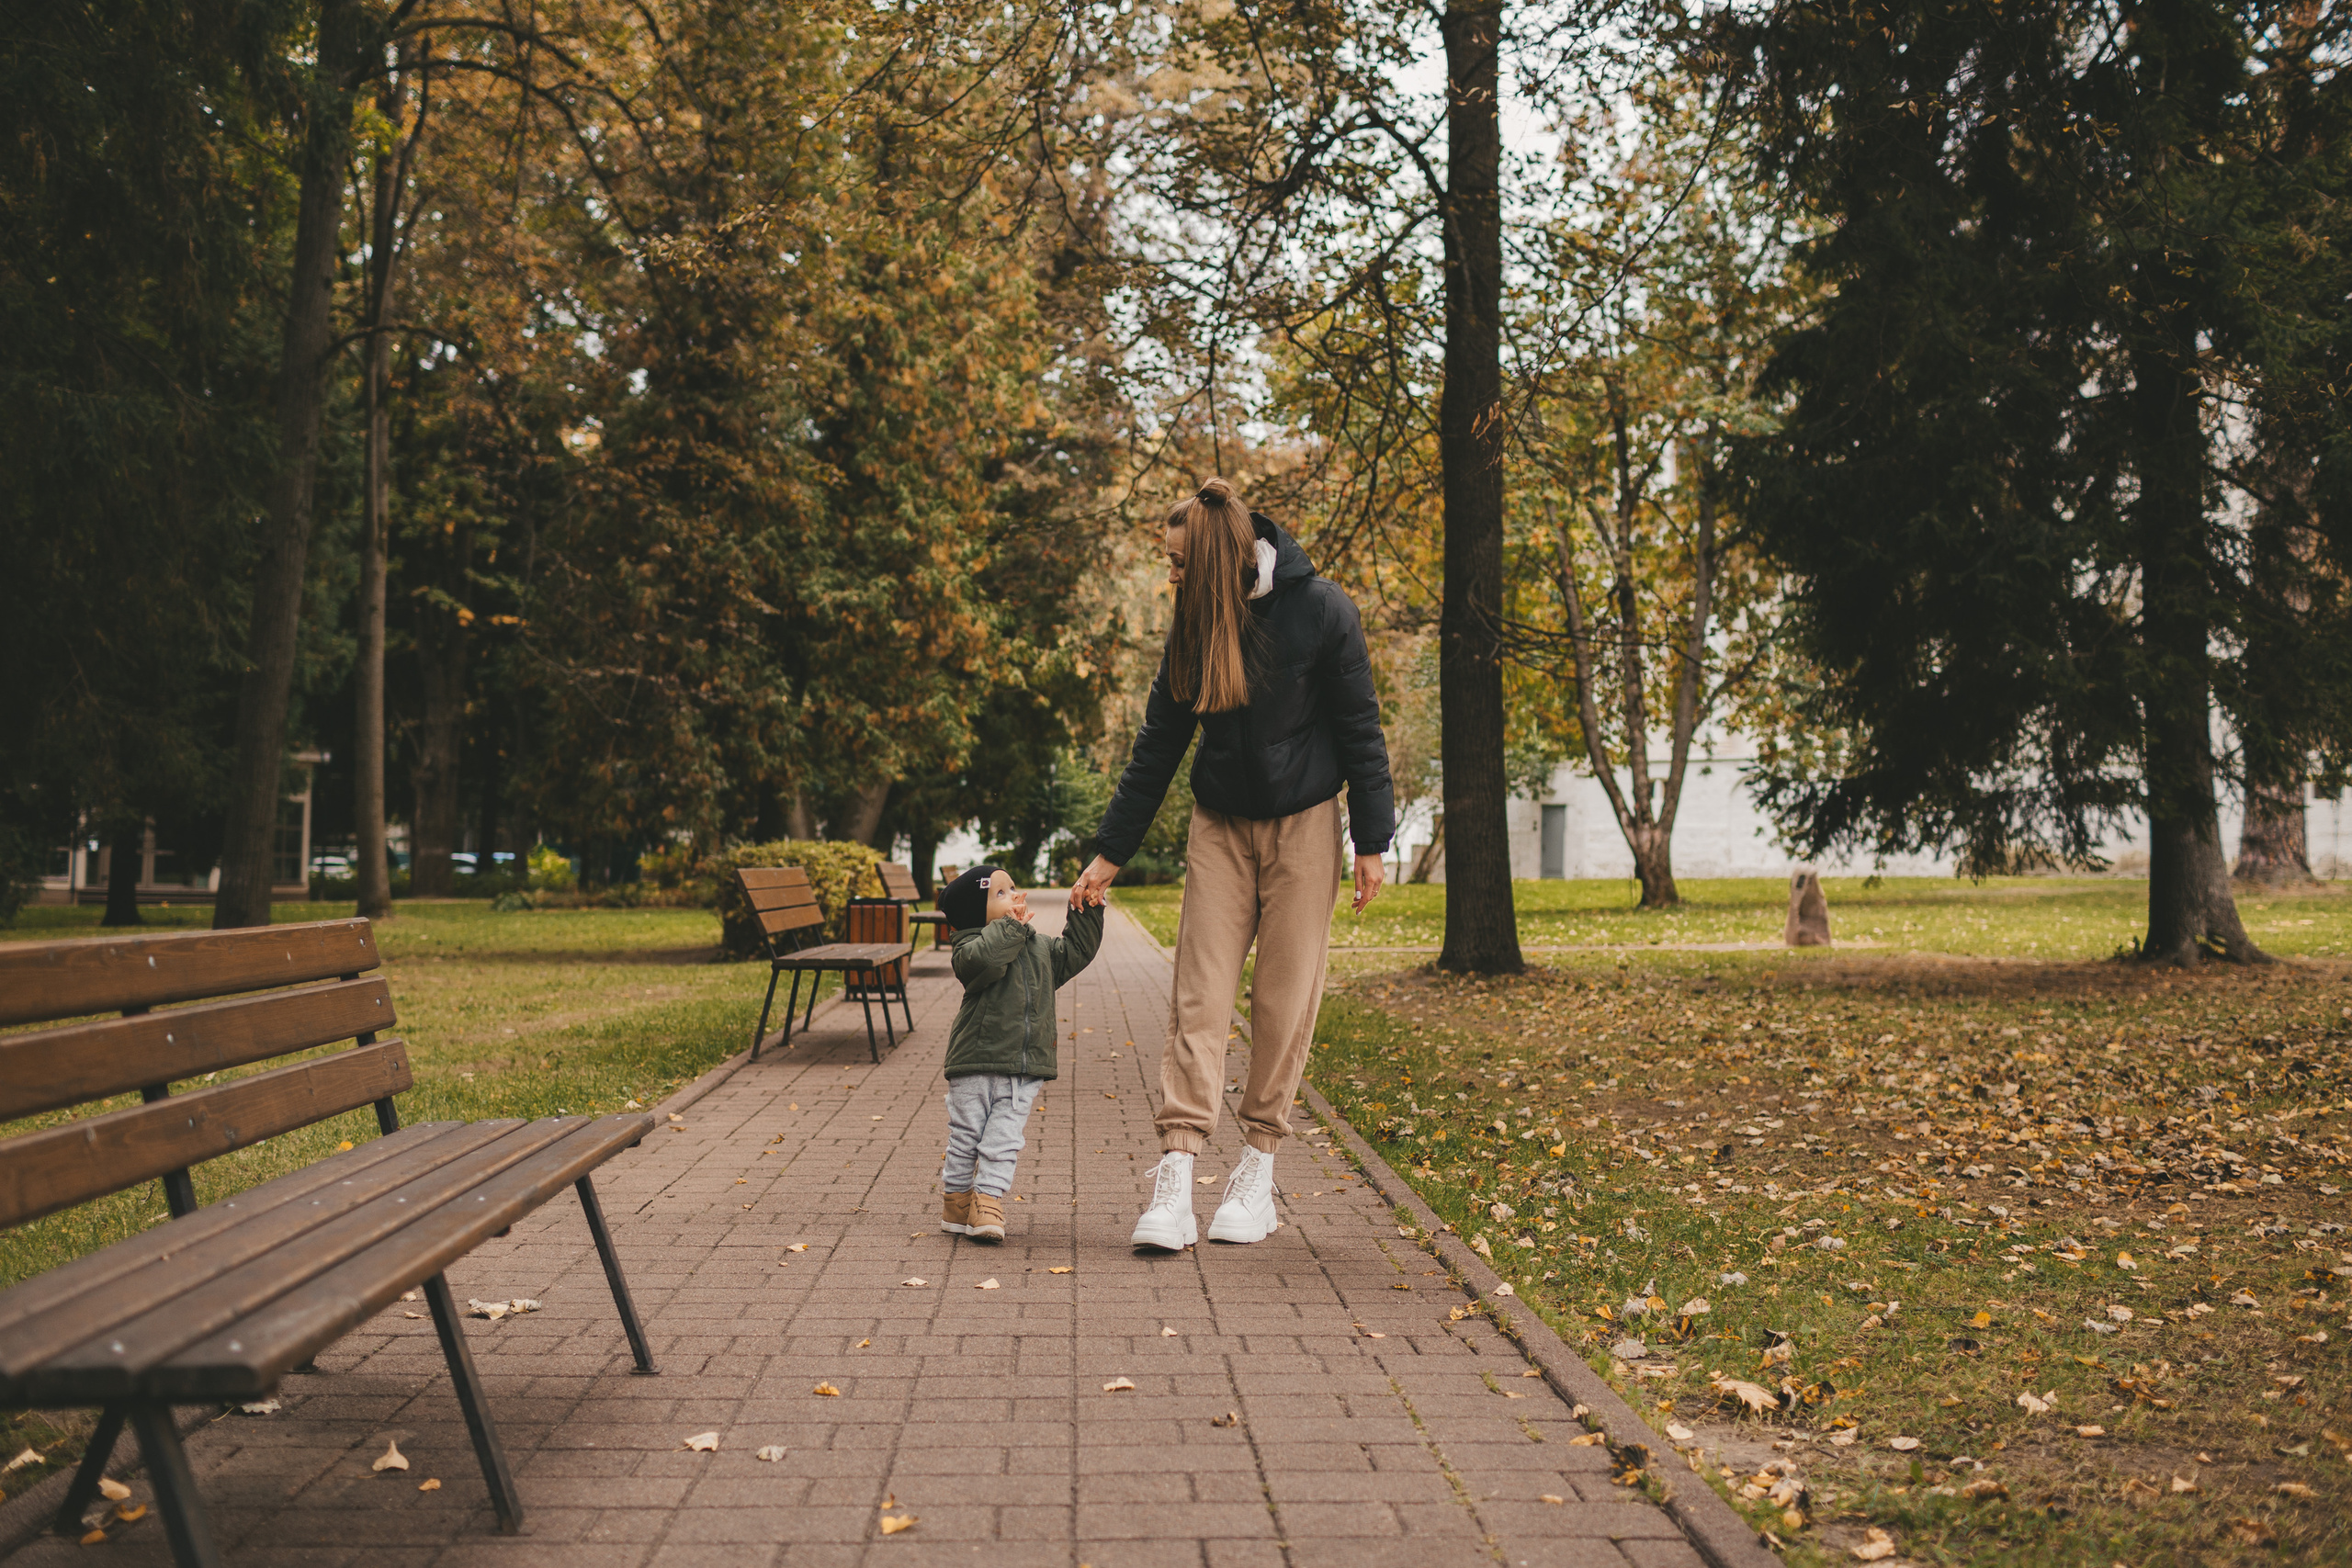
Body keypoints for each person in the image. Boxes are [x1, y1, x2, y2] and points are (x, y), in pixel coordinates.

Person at [1070, 478, 1393, 1250]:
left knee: (1284, 999)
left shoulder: (1322, 610)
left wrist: (1372, 841)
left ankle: (1258, 1169)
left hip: (1306, 827)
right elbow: (1158, 747)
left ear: (1218, 558)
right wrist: (1109, 852)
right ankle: (1176, 1177)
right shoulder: (1194, 625)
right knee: (1200, 996)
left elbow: (1361, 728)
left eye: (1179, 563)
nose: (1171, 577)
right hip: (1219, 827)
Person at [933, 863, 1104, 1242]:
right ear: (976, 914)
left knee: (1003, 1139)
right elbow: (988, 961)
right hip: (974, 1062)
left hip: (1023, 1066)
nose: (1014, 894)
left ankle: (988, 1200)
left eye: (1013, 886)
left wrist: (1087, 911)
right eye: (1000, 893)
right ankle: (956, 1200)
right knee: (966, 1136)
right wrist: (1011, 927)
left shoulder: (1039, 947)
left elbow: (1075, 951)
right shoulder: (967, 949)